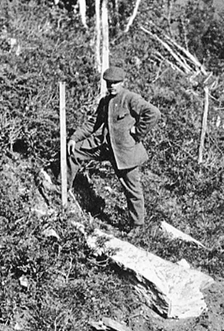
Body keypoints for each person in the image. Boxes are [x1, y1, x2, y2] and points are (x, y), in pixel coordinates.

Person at [66, 66, 162, 230]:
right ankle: (62, 186)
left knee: (132, 189)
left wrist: (138, 132)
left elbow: (153, 113)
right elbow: (93, 123)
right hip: (105, 147)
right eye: (109, 83)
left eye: (115, 83)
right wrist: (75, 138)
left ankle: (137, 226)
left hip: (126, 152)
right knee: (75, 152)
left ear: (123, 82)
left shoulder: (130, 98)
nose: (112, 86)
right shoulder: (105, 101)